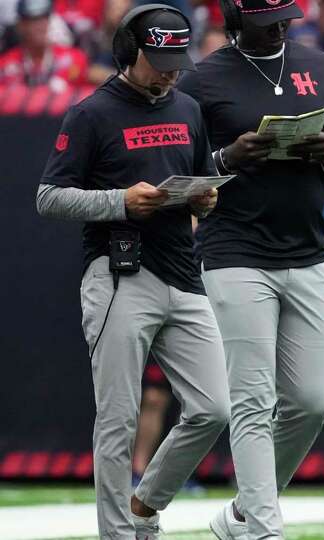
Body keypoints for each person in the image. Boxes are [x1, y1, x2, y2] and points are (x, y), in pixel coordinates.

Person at [34, 4, 228, 538]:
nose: (169, 71)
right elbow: (49, 197)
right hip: (121, 275)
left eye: (176, 60)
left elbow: (198, 181)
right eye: (159, 59)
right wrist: (119, 201)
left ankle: (144, 504)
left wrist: (203, 201)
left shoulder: (188, 108)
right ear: (129, 52)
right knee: (117, 419)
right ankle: (119, 535)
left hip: (183, 272)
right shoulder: (92, 113)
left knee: (214, 407)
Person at [176, 0, 324, 536]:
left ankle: (242, 512)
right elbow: (178, 176)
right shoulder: (202, 80)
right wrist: (225, 161)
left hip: (307, 251)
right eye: (267, 21)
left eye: (285, 16)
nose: (281, 28)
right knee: (253, 398)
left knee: (311, 402)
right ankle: (263, 527)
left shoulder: (322, 67)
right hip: (234, 250)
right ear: (234, 19)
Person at [0, 0, 88, 89]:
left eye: (44, 18)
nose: (39, 26)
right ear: (20, 25)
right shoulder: (5, 64)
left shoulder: (74, 58)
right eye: (32, 20)